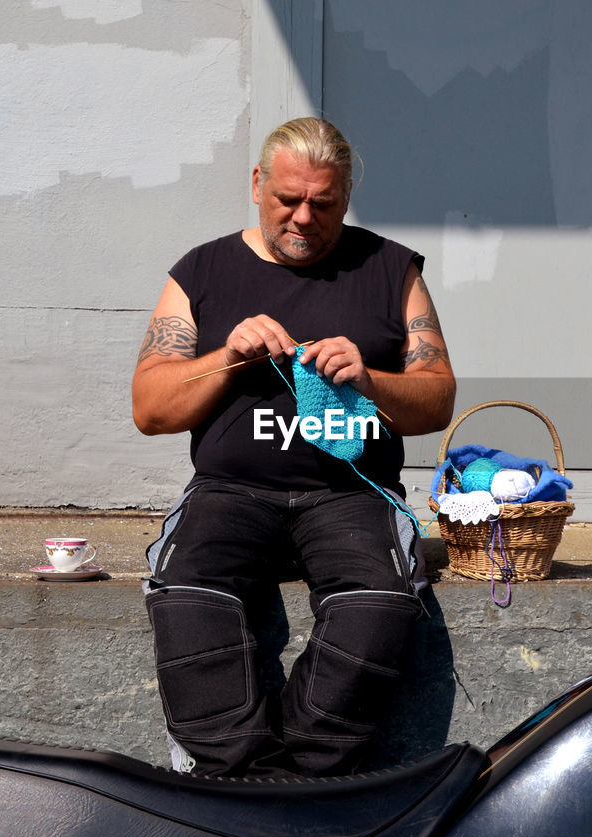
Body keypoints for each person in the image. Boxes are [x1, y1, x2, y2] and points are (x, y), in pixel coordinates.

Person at [131, 117, 455, 778]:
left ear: (346, 196)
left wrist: (370, 378)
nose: (304, 217)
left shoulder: (390, 270)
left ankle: (304, 771)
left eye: (324, 204)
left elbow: (437, 398)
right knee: (186, 591)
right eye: (288, 200)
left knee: (380, 604)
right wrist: (227, 357)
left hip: (348, 490)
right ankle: (237, 774)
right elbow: (150, 408)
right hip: (230, 490)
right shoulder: (204, 270)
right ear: (257, 185)